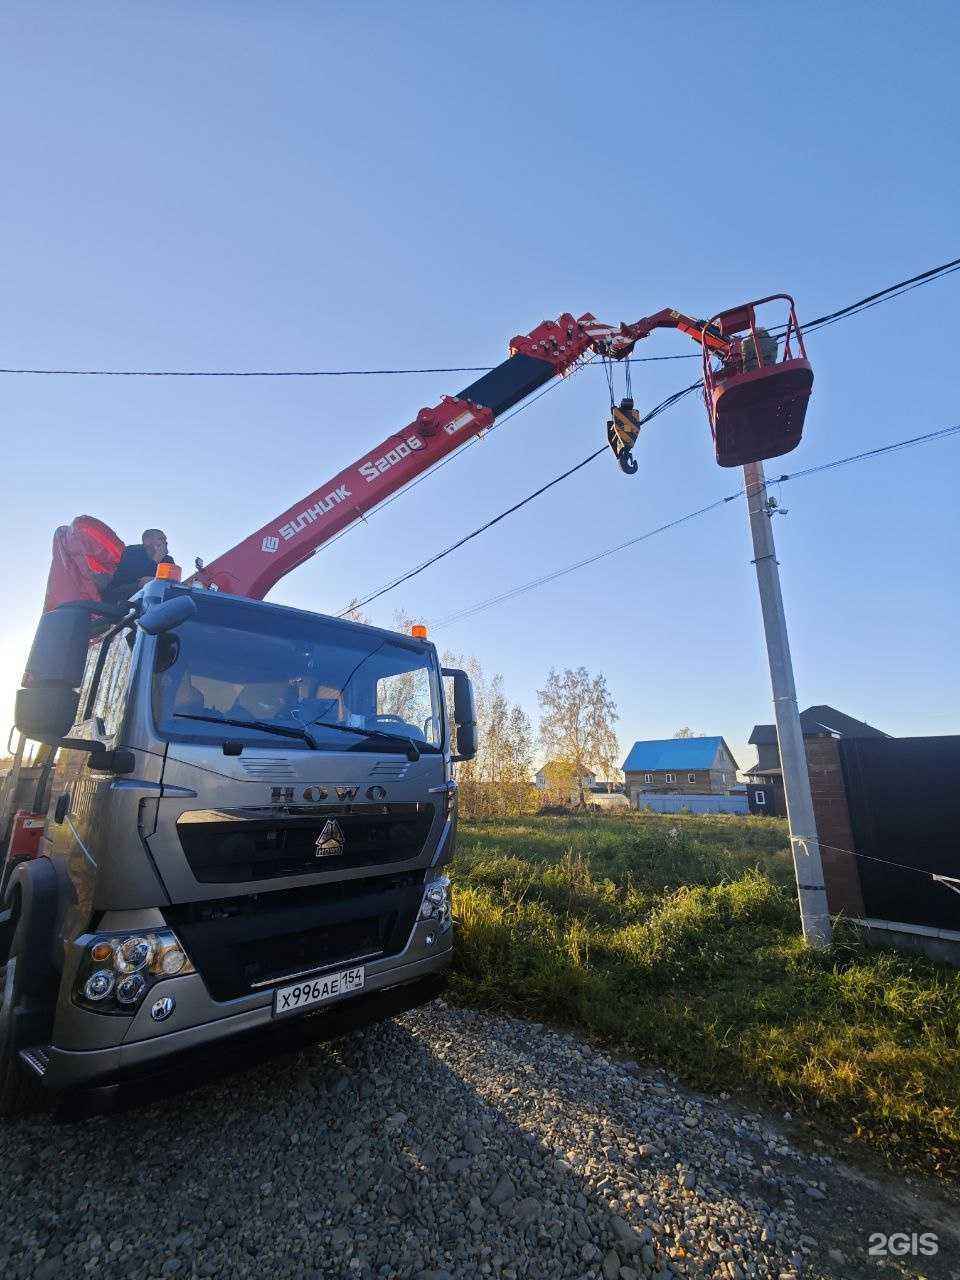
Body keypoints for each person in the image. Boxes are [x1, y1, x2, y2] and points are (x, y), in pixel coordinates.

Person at [102, 528, 173, 604]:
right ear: (147, 541)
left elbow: (171, 581)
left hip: (154, 592)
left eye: (165, 540)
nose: (165, 542)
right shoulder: (132, 551)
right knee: (149, 582)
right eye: (161, 539)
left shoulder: (167, 559)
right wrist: (157, 559)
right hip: (120, 591)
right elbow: (134, 576)